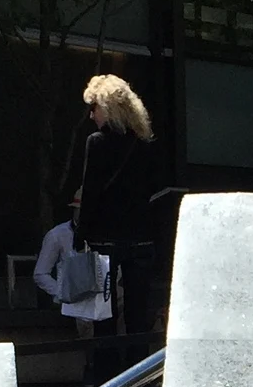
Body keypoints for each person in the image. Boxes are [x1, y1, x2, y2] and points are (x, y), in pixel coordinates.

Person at [73, 73, 160, 334]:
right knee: (138, 314)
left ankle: (107, 370)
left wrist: (81, 233)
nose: (92, 115)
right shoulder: (144, 144)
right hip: (141, 236)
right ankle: (139, 370)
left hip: (105, 238)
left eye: (94, 107)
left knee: (104, 315)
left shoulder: (97, 142)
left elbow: (90, 192)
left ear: (106, 108)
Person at [33, 201, 113, 334]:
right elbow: (40, 274)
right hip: (78, 304)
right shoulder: (57, 235)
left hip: (109, 297)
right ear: (74, 210)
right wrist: (62, 293)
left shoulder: (108, 231)